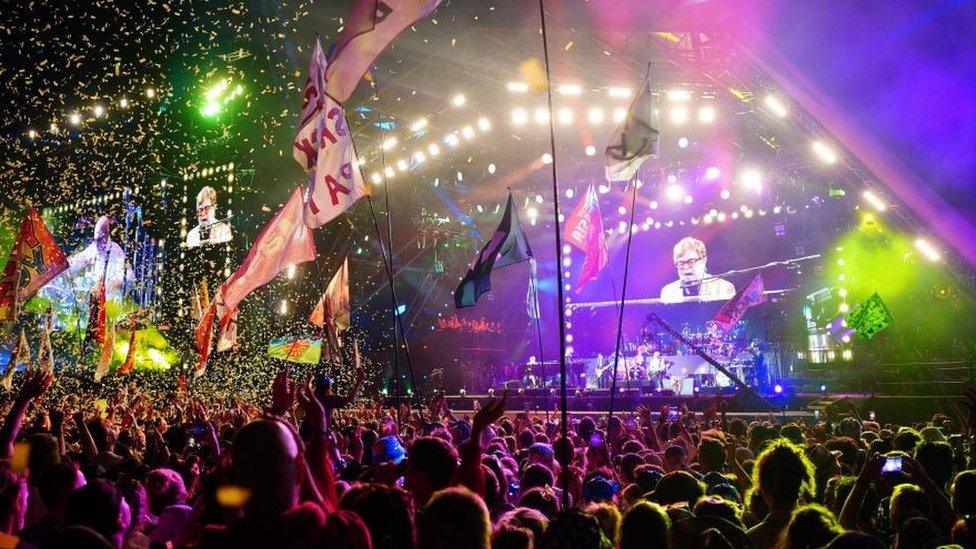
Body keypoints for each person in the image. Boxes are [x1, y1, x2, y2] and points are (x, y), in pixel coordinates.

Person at [65, 215, 134, 302]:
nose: (97, 244)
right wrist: (67, 266)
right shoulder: (94, 247)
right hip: (95, 302)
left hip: (111, 303)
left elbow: (130, 278)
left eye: (100, 240)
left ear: (106, 235)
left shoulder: (116, 251)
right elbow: (80, 259)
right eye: (96, 240)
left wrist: (110, 284)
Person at [659, 237, 735, 303]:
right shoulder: (668, 292)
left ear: (703, 260)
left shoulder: (723, 288)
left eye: (691, 261)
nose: (686, 267)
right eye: (680, 263)